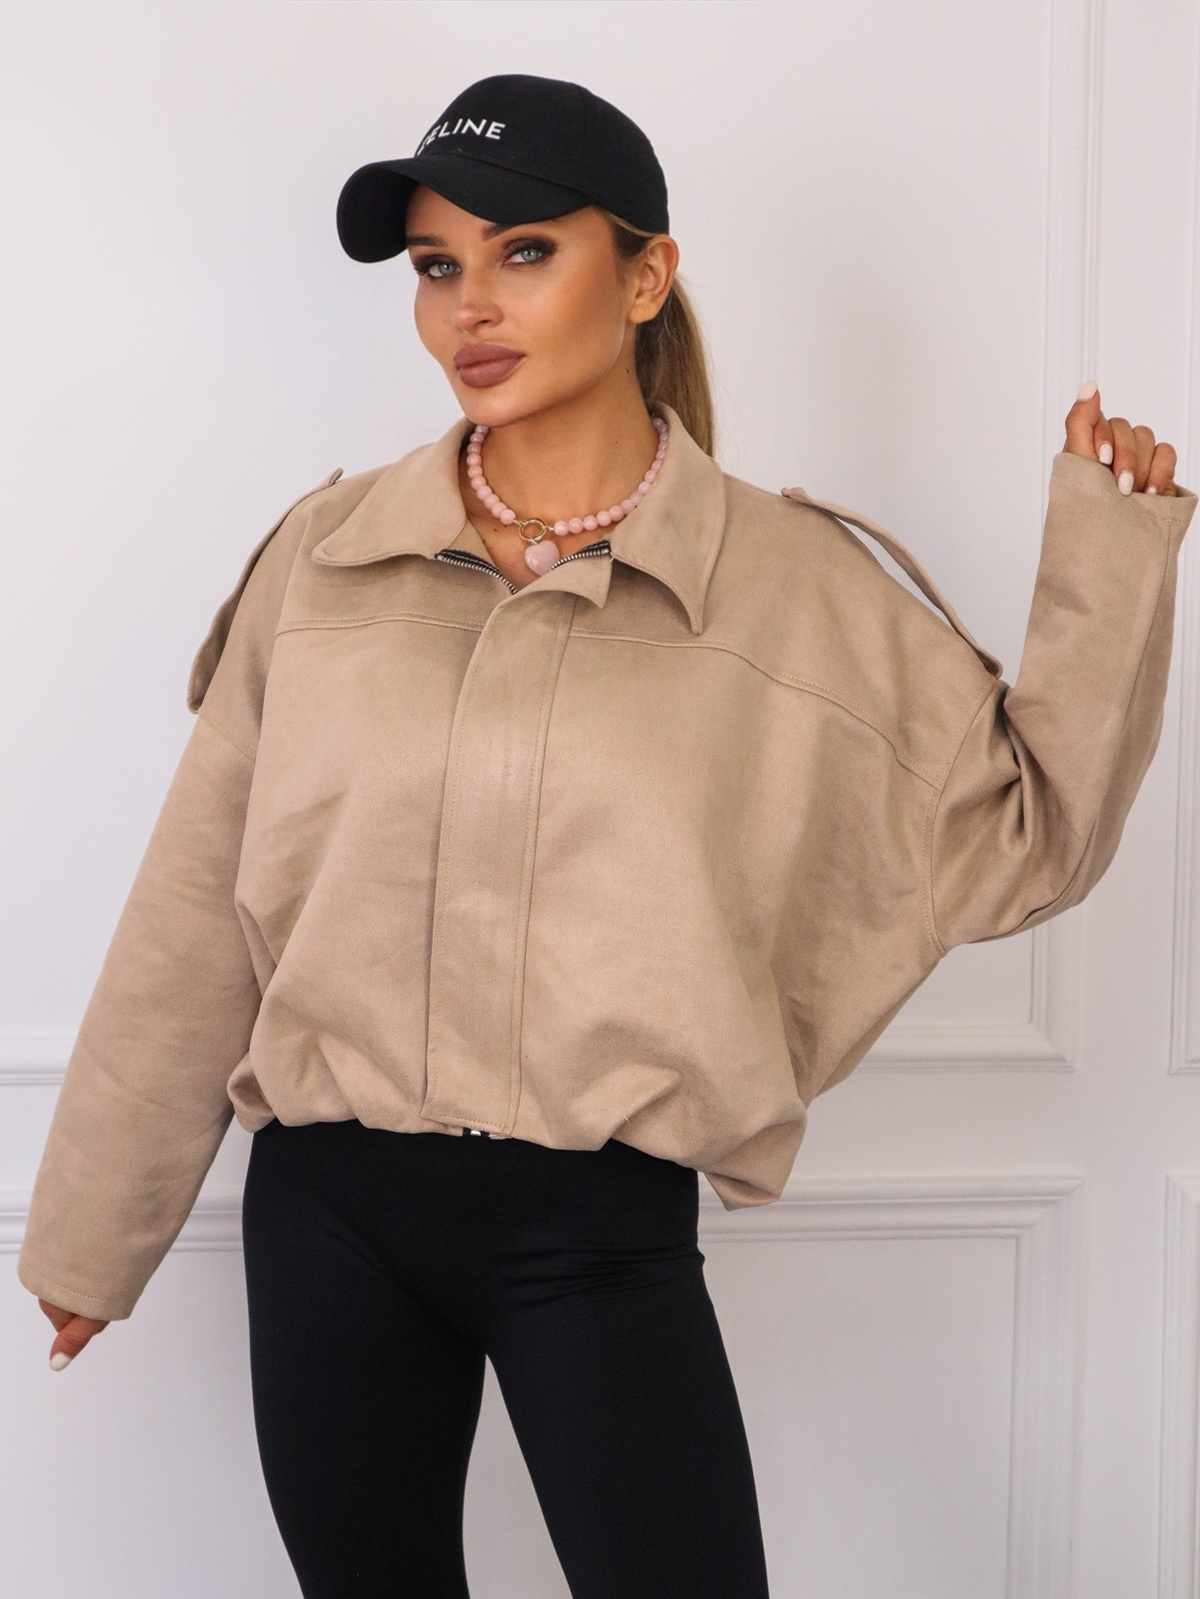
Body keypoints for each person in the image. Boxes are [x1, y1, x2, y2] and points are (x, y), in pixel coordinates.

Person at [18, 70, 1195, 1599]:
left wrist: (1108, 564)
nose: (470, 306)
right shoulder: (331, 553)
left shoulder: (792, 586)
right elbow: (196, 902)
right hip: (326, 1222)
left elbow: (1029, 836)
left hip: (591, 1234)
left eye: (525, 251)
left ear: (645, 277)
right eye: (436, 264)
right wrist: (95, 1236)